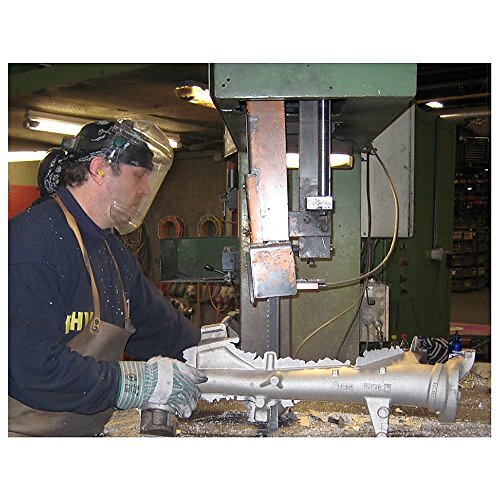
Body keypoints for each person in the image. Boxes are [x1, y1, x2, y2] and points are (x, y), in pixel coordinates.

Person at [8, 118, 207, 436]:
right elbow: (30, 367)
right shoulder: (30, 245)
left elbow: (162, 331)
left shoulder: (113, 253)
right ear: (99, 169)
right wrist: (133, 383)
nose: (145, 190)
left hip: (81, 432)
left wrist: (214, 357)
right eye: (139, 176)